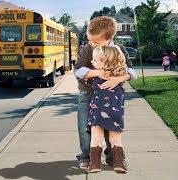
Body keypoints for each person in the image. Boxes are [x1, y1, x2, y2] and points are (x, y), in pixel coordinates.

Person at [74, 16, 137, 170]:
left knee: (112, 126)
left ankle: (113, 157)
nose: (92, 44)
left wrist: (119, 78)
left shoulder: (119, 50)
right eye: (90, 40)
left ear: (110, 38)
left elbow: (132, 71)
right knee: (85, 128)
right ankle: (87, 157)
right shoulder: (88, 49)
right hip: (88, 93)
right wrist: (97, 73)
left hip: (113, 95)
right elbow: (78, 71)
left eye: (96, 41)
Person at [86, 46, 128, 173]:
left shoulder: (96, 75)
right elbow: (129, 75)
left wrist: (93, 74)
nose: (92, 62)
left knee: (96, 137)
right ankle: (119, 164)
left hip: (98, 111)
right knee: (115, 138)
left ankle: (95, 164)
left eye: (95, 60)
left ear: (104, 62)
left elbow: (83, 74)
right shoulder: (120, 76)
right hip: (116, 112)